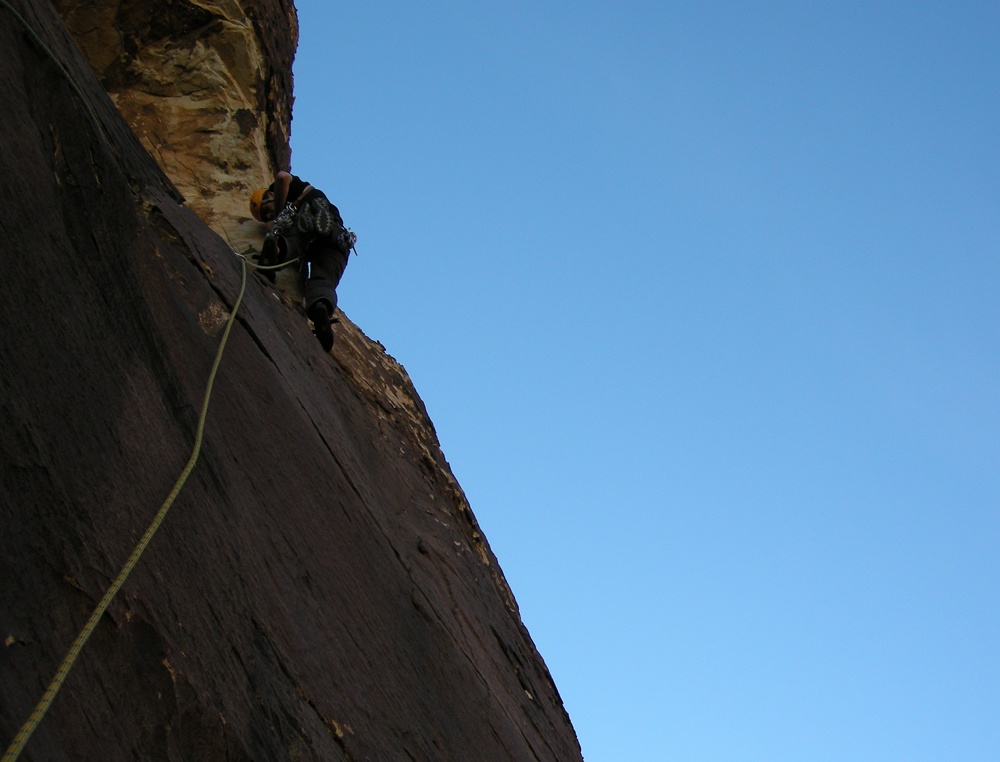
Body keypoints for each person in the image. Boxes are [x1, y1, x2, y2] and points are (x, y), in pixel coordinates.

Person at [248, 171, 354, 352]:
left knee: (292, 240)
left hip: (309, 218)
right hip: (338, 239)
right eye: (266, 216)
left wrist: (280, 214)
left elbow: (282, 177)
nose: (269, 215)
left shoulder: (287, 191)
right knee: (323, 282)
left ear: (270, 195)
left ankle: (275, 251)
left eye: (266, 209)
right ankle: (320, 306)